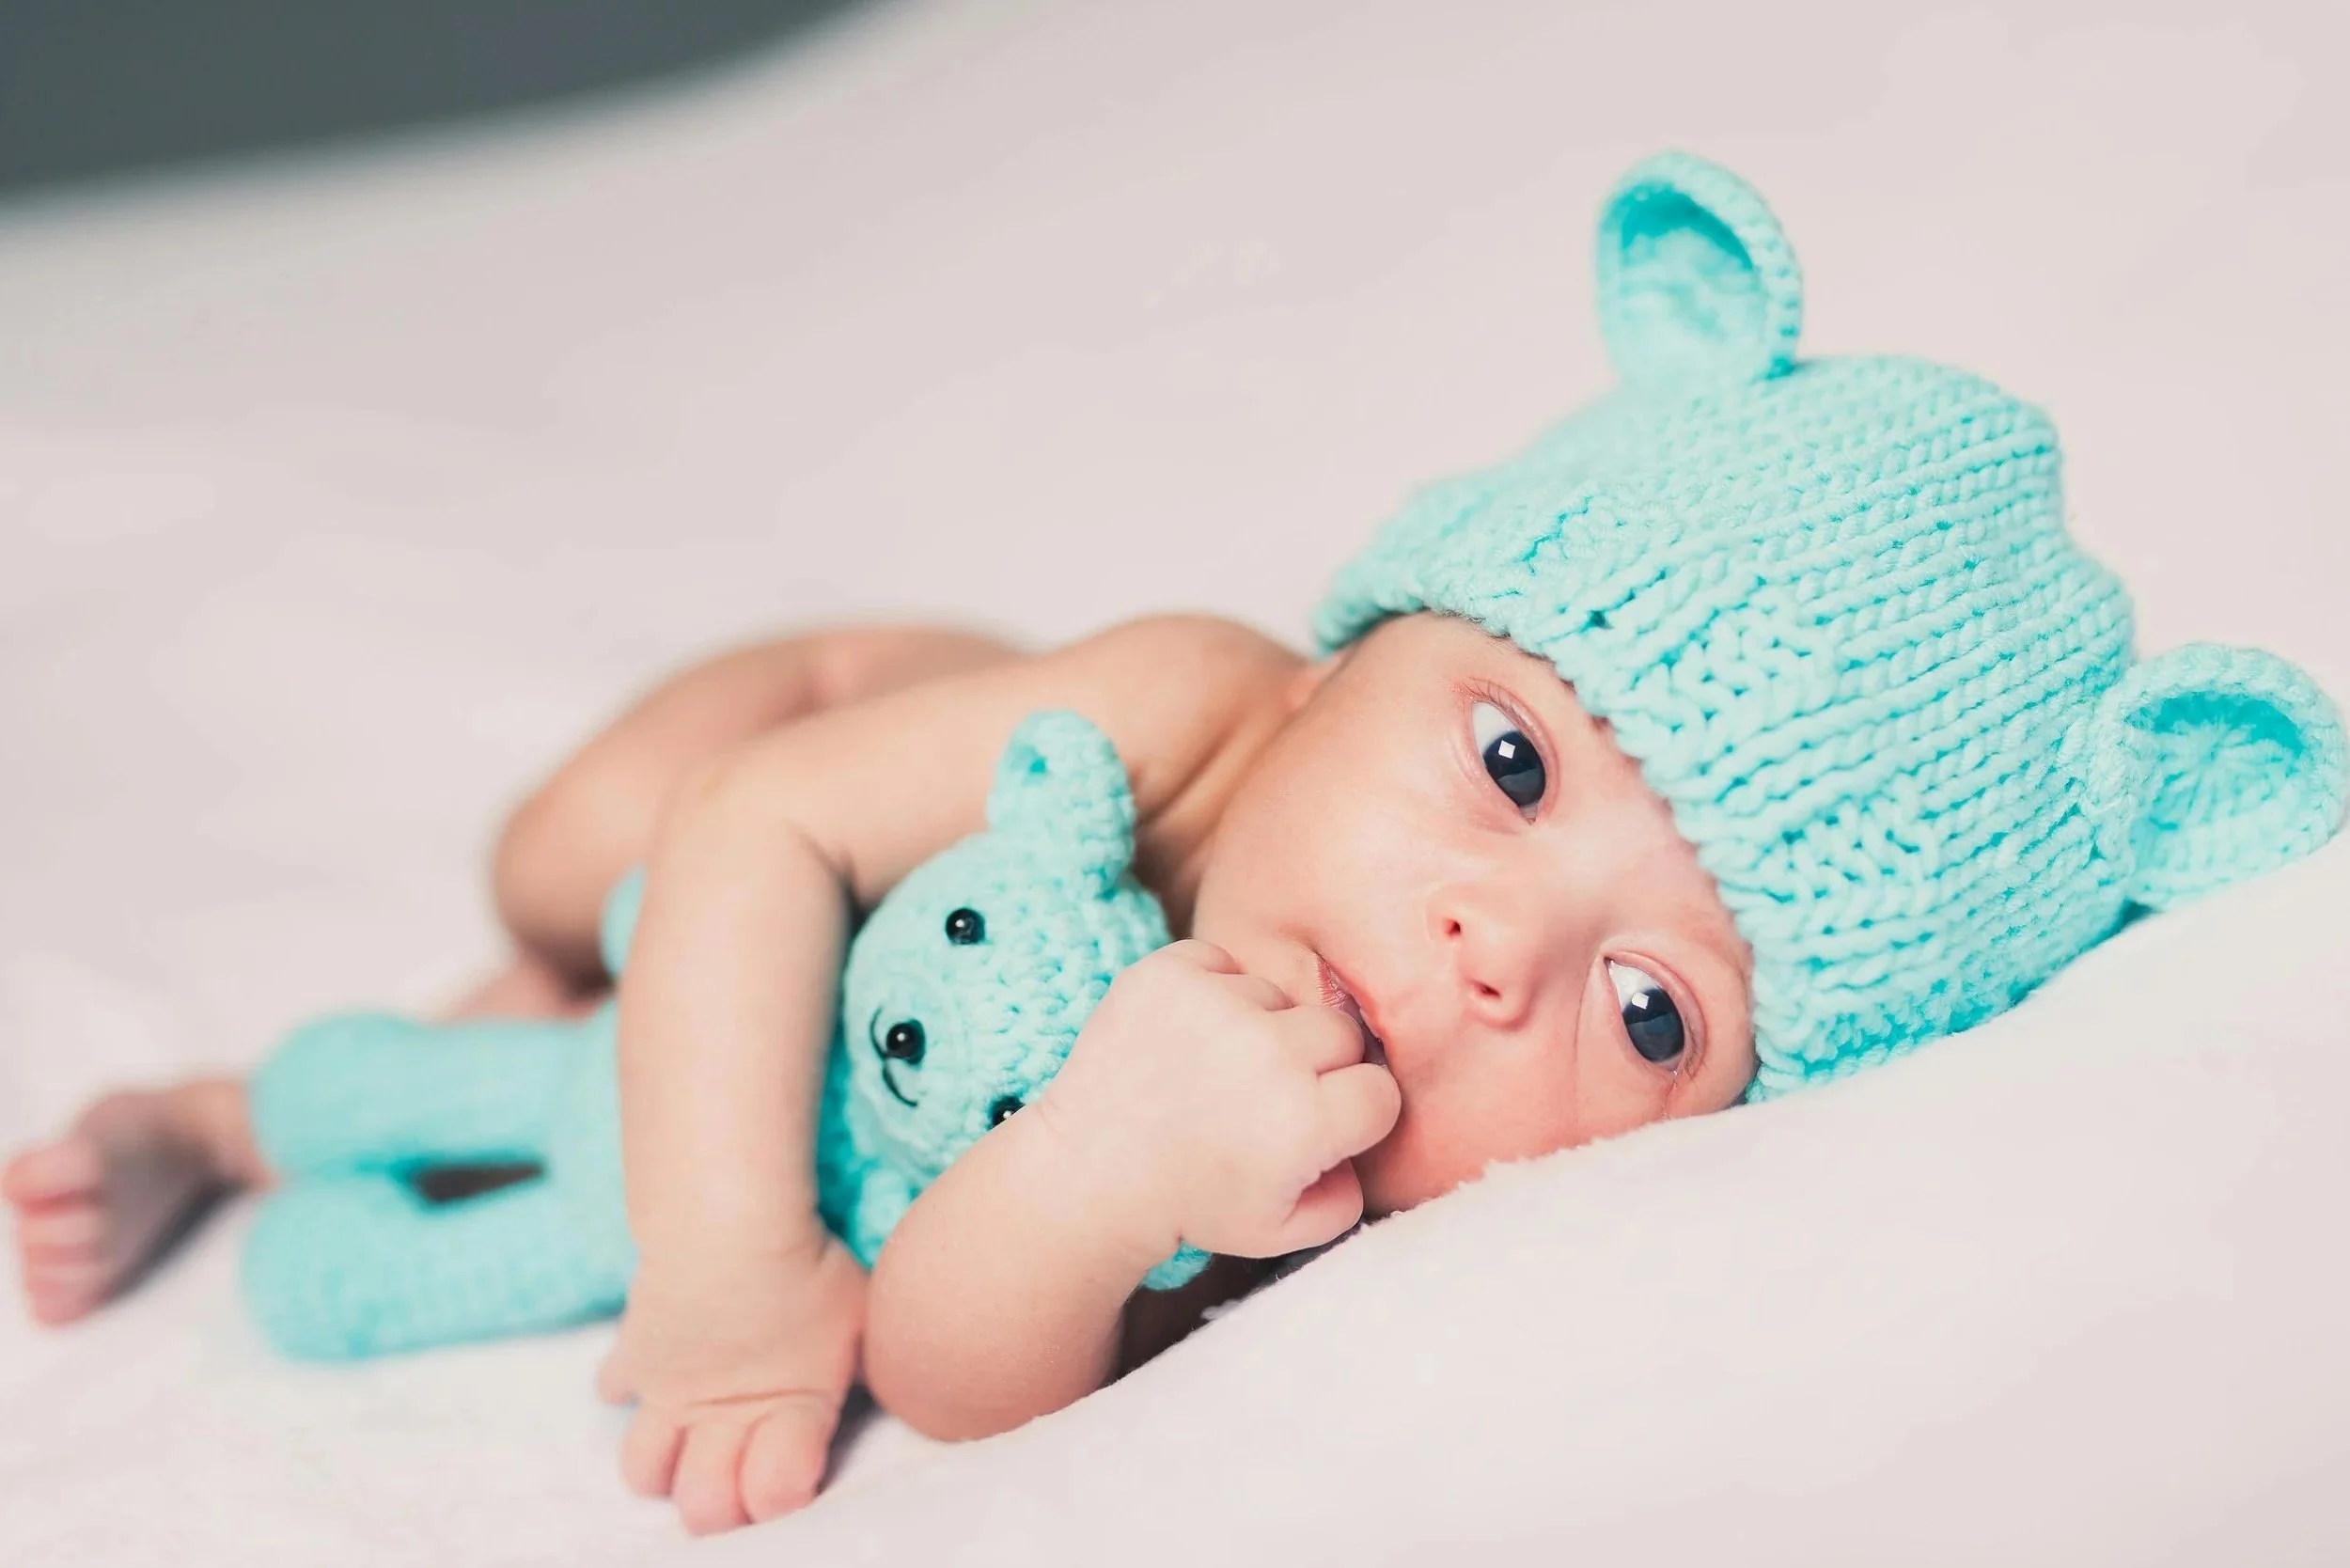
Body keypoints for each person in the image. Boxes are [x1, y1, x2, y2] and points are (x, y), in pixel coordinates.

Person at [8, 151, 2342, 1536]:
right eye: (1510, 765)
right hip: (836, 742)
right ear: (1362, 649)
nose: (1489, 954)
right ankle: (312, 1075)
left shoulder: (1372, 1180)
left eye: (1653, 1010)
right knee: (571, 878)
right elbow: (756, 829)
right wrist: (725, 1259)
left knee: (600, 1018)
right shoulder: (1199, 704)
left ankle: (225, 1123)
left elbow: (948, 1368)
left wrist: (1095, 1180)